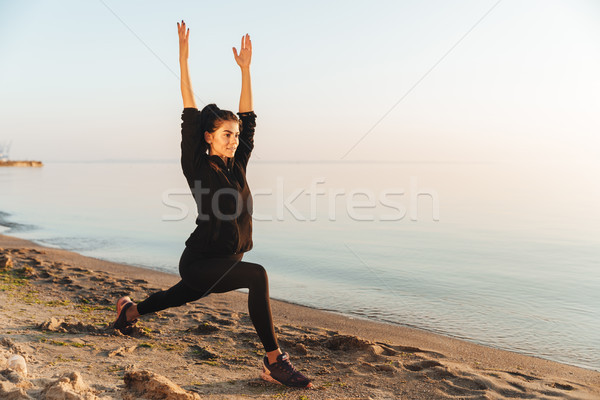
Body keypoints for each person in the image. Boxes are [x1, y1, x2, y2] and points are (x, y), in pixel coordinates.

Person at [111, 20, 313, 389]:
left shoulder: (238, 164)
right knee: (258, 275)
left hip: (225, 260)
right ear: (209, 137)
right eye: (226, 134)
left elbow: (249, 122)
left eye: (235, 135)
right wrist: (183, 60)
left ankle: (129, 311)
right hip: (202, 262)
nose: (234, 140)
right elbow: (188, 111)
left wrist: (246, 71)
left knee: (176, 297)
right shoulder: (197, 164)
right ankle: (274, 361)